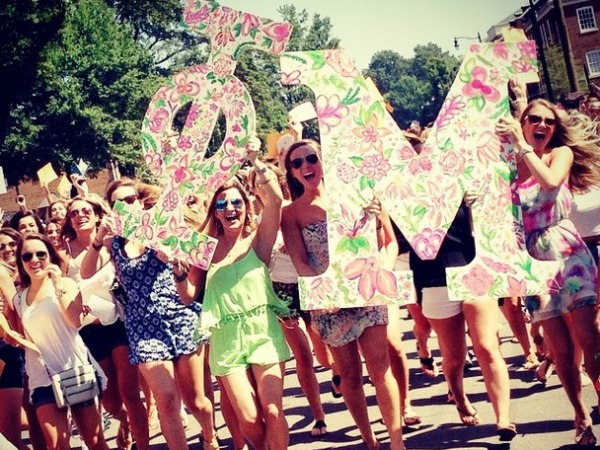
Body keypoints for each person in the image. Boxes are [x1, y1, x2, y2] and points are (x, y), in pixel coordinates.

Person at [281, 139, 403, 450]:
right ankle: (369, 439)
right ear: (292, 172)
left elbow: (388, 244)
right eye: (297, 163)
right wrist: (327, 291)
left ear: (324, 160)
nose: (306, 166)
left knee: (380, 368)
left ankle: (396, 441)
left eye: (311, 158)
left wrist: (380, 272)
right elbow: (300, 262)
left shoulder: (360, 195)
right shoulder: (291, 214)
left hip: (366, 295)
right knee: (349, 375)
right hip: (330, 304)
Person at [81, 179, 217, 450]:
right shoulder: (114, 243)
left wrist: (175, 259)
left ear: (140, 201)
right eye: (118, 203)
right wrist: (98, 238)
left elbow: (196, 258)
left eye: (130, 199)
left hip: (180, 317)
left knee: (196, 401)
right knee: (167, 400)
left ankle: (209, 434)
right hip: (143, 328)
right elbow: (86, 272)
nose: (126, 205)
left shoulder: (163, 228)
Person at [497, 92, 600, 446]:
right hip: (534, 262)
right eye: (535, 119)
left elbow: (551, 182)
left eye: (549, 121)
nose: (542, 125)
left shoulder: (560, 154)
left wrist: (522, 145)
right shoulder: (507, 166)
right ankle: (580, 414)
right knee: (562, 351)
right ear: (522, 123)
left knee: (591, 339)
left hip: (569, 254)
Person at [177, 143, 291, 450]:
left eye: (236, 202)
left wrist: (255, 160)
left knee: (273, 410)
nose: (230, 208)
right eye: (222, 203)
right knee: (250, 420)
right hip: (226, 340)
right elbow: (188, 296)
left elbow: (275, 200)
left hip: (263, 332)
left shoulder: (258, 241)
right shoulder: (204, 250)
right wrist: (179, 273)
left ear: (246, 205)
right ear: (215, 212)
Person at [409, 197, 516, 440]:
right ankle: (459, 397)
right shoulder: (406, 187)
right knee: (455, 355)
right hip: (433, 276)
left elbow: (498, 216)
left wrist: (477, 202)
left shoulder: (466, 179)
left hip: (474, 267)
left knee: (487, 346)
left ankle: (503, 418)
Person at [61, 195, 149, 450]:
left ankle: (143, 445)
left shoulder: (112, 244)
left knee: (130, 393)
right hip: (89, 331)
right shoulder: (64, 254)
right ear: (69, 221)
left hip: (119, 323)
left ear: (97, 215)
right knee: (110, 402)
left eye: (85, 210)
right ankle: (125, 421)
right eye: (74, 213)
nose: (80, 215)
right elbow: (60, 288)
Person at [12, 233, 110, 450]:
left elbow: (75, 321)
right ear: (21, 262)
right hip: (42, 376)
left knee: (94, 441)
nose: (34, 260)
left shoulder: (66, 283)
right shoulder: (19, 299)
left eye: (41, 254)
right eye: (27, 256)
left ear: (50, 256)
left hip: (74, 368)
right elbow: (21, 337)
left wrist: (57, 285)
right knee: (56, 445)